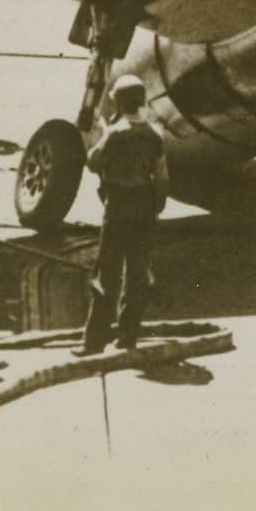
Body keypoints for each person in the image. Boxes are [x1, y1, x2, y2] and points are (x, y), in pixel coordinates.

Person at [77, 75, 169, 355]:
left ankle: (94, 342)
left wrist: (101, 135)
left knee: (107, 274)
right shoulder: (154, 134)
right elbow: (162, 178)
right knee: (137, 274)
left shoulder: (116, 134)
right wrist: (156, 207)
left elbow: (93, 163)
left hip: (117, 206)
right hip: (143, 206)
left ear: (118, 102)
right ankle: (128, 337)